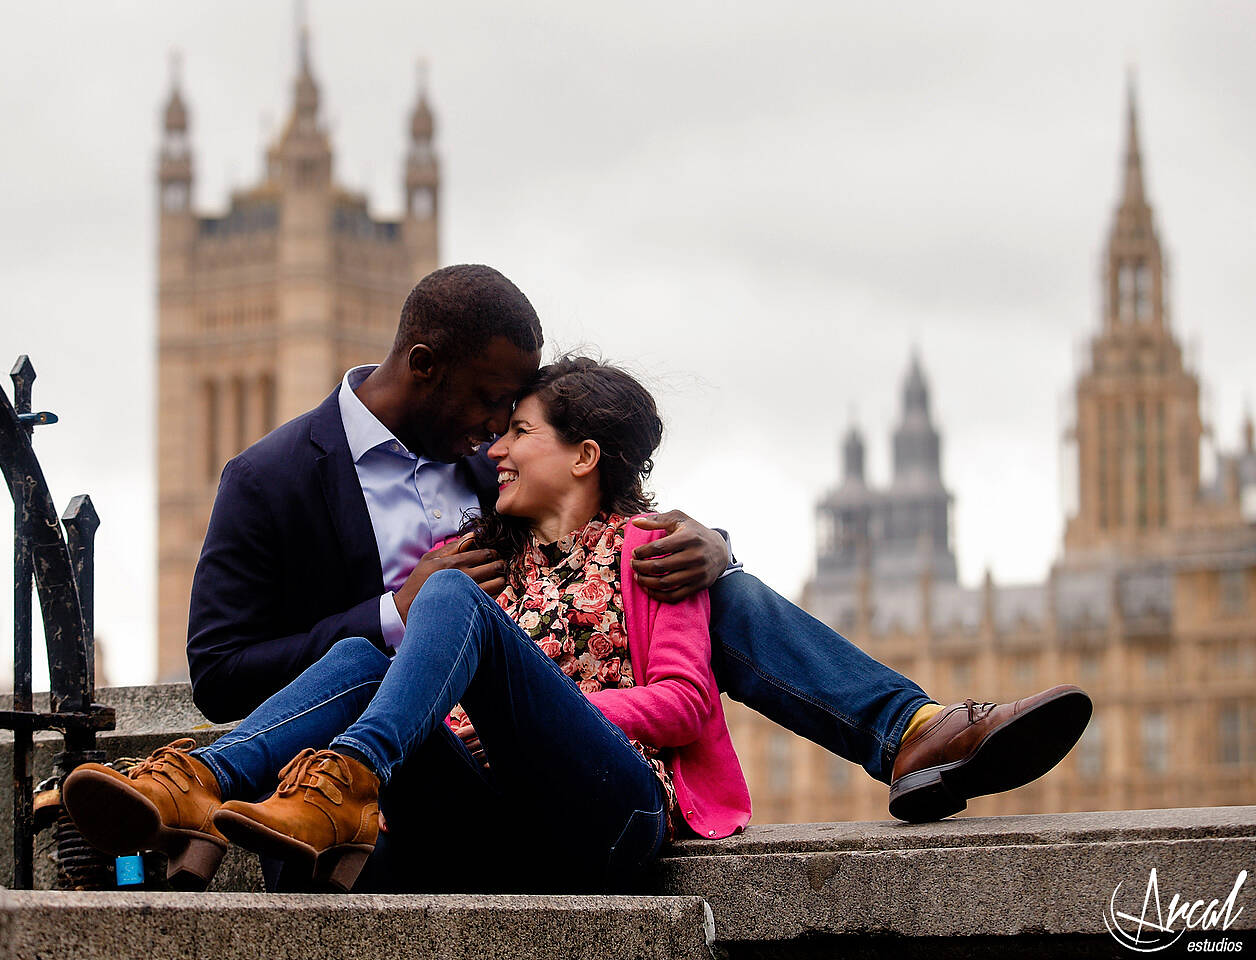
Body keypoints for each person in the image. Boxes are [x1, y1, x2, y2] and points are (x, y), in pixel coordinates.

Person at [64, 264, 1091, 887]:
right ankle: (204, 779)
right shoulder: (272, 481)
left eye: (514, 416)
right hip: (415, 795)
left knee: (703, 581)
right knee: (367, 644)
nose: (498, 428)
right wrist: (391, 614)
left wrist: (715, 544)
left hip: (538, 769)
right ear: (424, 365)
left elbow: (616, 521)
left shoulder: (496, 468)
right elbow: (223, 668)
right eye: (491, 402)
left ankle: (906, 732)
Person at [66, 357, 750, 892]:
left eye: (517, 431)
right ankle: (202, 779)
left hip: (608, 815)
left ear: (585, 455)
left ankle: (347, 772)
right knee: (365, 659)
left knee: (444, 596)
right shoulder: (480, 550)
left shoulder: (653, 551)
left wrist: (525, 714)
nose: (492, 447)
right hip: (501, 825)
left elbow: (688, 702)